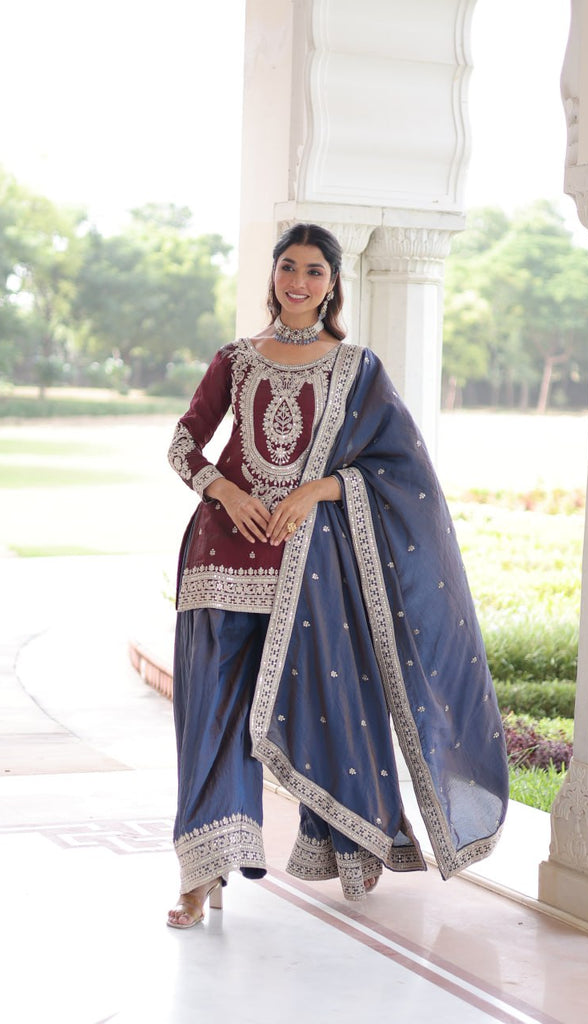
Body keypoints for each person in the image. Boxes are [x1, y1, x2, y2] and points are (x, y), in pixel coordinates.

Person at [166, 222, 508, 928]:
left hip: (305, 568)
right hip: (219, 561)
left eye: (314, 270)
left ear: (332, 283)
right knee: (211, 719)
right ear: (272, 276)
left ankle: (352, 843)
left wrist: (315, 490)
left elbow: (396, 471)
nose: (298, 281)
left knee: (327, 700)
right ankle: (201, 872)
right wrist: (225, 491)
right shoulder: (236, 359)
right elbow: (183, 441)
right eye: (288, 267)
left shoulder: (357, 369)